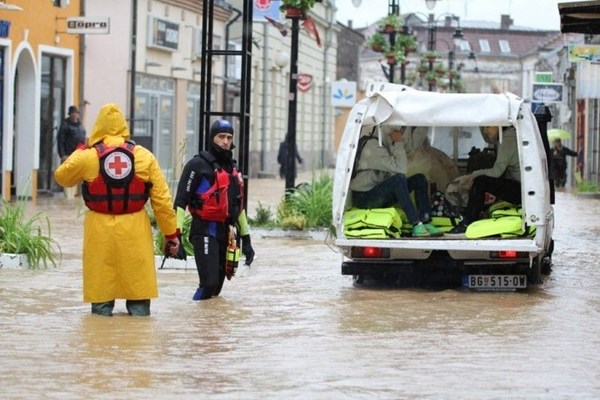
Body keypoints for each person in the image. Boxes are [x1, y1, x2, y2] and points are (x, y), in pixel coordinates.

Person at [54, 103, 180, 317]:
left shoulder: (88, 157)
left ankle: (101, 345)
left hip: (99, 232)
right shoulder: (144, 156)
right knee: (138, 296)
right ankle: (138, 344)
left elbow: (62, 176)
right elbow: (162, 201)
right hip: (135, 231)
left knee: (101, 298)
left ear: (98, 128)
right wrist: (171, 234)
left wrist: (80, 150)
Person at [174, 119, 255, 301]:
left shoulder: (233, 169)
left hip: (225, 234)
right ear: (212, 138)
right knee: (208, 283)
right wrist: (176, 235)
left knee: (217, 289)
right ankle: (196, 323)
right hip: (203, 230)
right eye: (221, 137)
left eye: (229, 137)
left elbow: (238, 207)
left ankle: (211, 327)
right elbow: (180, 202)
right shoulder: (197, 166)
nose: (226, 141)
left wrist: (246, 240)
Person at [349, 125, 442, 237]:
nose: (401, 132)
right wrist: (397, 142)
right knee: (399, 179)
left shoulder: (384, 142)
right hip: (364, 198)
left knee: (420, 179)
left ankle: (425, 221)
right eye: (399, 129)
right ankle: (416, 224)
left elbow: (409, 148)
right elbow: (401, 168)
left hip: (376, 193)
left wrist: (401, 140)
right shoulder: (372, 147)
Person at [449, 125, 521, 234]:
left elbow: (497, 172)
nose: (486, 131)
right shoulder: (508, 137)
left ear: (499, 125)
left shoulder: (508, 140)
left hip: (520, 191)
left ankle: (467, 221)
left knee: (481, 182)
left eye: (488, 127)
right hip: (519, 187)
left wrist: (474, 175)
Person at [57, 105, 87, 198]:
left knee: (78, 175)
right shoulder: (65, 126)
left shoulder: (80, 125)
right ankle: (68, 197)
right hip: (68, 155)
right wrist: (62, 155)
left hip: (79, 155)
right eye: (73, 114)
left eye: (76, 114)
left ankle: (75, 195)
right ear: (70, 115)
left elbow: (83, 138)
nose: (75, 116)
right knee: (68, 176)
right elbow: (60, 141)